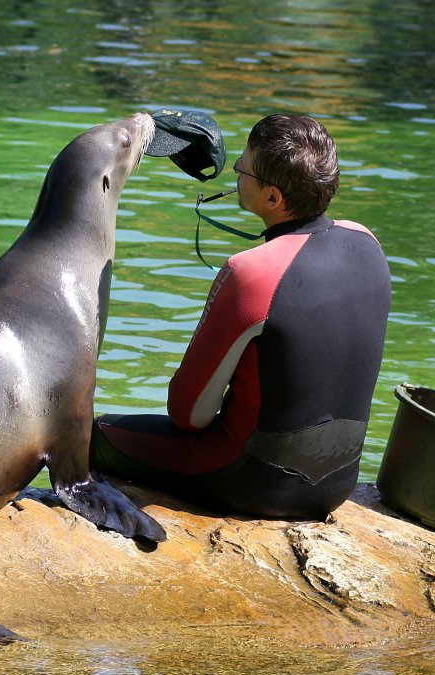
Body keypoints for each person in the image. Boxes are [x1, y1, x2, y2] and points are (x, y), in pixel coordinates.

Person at [90, 114, 392, 520]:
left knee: (93, 434)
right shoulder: (366, 241)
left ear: (272, 199)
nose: (234, 174)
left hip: (254, 481)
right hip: (337, 484)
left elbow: (189, 414)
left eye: (241, 169)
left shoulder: (252, 271)